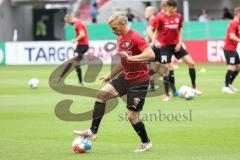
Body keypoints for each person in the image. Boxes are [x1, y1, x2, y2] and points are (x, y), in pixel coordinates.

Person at [73, 12, 155, 152]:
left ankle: (146, 142)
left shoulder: (135, 37)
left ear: (123, 24)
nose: (113, 31)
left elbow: (151, 54)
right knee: (101, 95)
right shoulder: (120, 39)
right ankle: (93, 132)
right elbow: (123, 62)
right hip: (125, 77)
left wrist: (131, 58)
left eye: (115, 28)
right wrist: (110, 75)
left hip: (139, 80)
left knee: (132, 117)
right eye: (112, 28)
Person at [150, 0, 202, 101]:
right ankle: (167, 95)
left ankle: (194, 88)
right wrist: (153, 42)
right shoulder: (160, 17)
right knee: (167, 70)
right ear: (168, 7)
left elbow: (179, 30)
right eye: (173, 8)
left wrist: (179, 43)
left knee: (191, 63)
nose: (175, 10)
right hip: (165, 47)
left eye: (175, 8)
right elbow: (157, 30)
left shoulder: (178, 16)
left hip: (176, 46)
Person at [59, 15, 89, 84]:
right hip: (83, 46)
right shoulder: (80, 22)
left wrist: (75, 40)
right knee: (75, 63)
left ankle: (60, 77)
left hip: (82, 46)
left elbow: (82, 34)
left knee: (72, 62)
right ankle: (80, 82)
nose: (68, 24)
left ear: (69, 19)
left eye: (67, 22)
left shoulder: (77, 24)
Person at [222, 7, 240, 93]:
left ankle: (229, 84)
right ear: (238, 13)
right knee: (232, 67)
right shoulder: (233, 23)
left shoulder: (238, 24)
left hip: (233, 49)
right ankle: (225, 86)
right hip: (229, 49)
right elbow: (231, 36)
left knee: (238, 67)